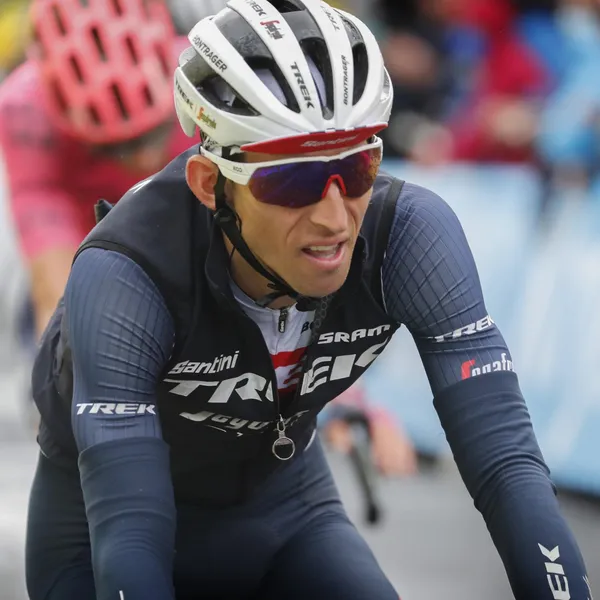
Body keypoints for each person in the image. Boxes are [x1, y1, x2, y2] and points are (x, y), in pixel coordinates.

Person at [26, 1, 590, 599]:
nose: (334, 217)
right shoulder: (127, 272)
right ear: (211, 185)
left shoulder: (410, 237)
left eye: (357, 167)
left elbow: (508, 467)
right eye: (292, 181)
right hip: (101, 529)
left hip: (283, 511)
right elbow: (129, 530)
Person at [0, 0, 193, 340]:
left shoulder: (202, 75)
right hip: (89, 243)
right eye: (115, 149)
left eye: (155, 134)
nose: (144, 161)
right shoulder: (24, 111)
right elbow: (55, 289)